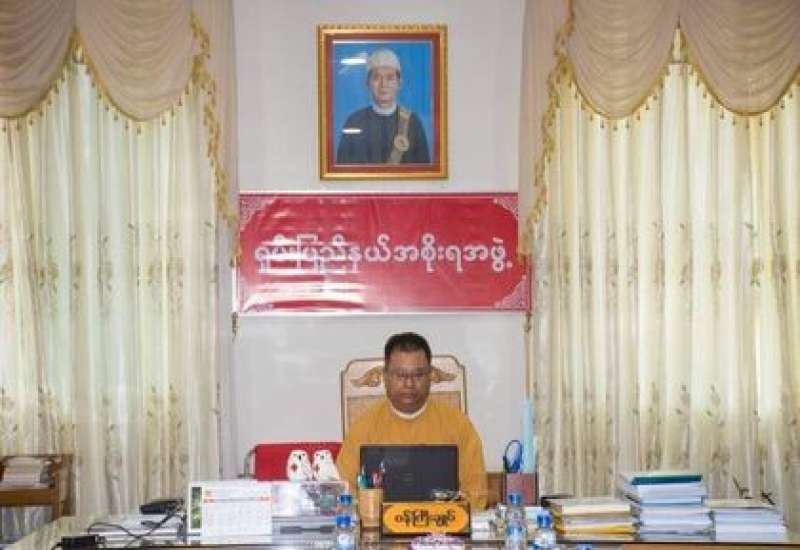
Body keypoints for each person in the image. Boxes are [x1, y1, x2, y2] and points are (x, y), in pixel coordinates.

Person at [336, 332, 488, 510]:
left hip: (443, 524)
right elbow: (344, 491)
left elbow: (476, 494)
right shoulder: (363, 429)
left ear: (430, 376)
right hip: (378, 525)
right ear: (385, 377)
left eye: (418, 375)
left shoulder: (458, 425)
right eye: (400, 375)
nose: (409, 384)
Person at [336, 49, 431, 165]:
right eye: (376, 78)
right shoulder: (354, 122)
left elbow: (424, 171)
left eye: (390, 78)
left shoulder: (413, 122)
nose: (383, 84)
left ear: (399, 83)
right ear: (368, 83)